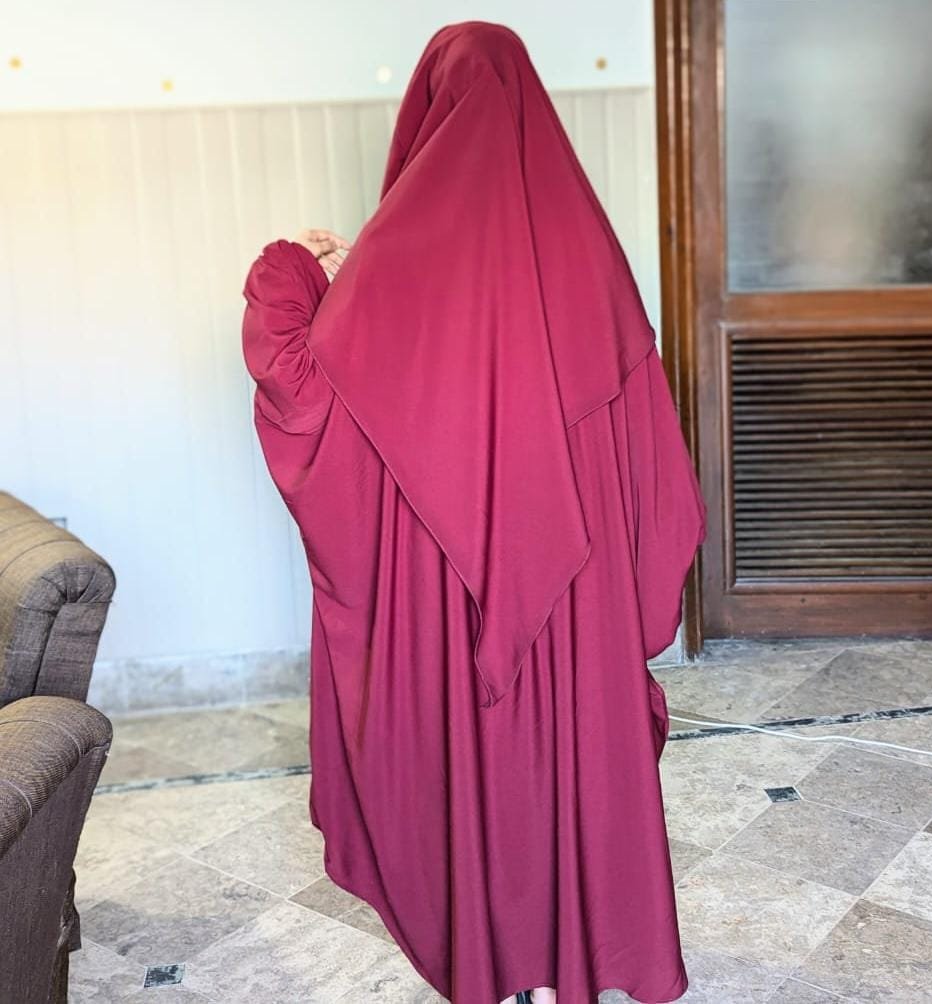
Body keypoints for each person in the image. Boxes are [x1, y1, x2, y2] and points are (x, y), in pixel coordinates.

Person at [241, 21, 705, 1004]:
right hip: (574, 603)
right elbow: (653, 467)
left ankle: (496, 965)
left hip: (451, 607)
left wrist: (289, 265)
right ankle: (570, 960)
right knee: (566, 761)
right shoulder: (593, 260)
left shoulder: (390, 273)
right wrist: (627, 592)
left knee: (475, 768)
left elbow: (297, 389)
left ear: (426, 116)